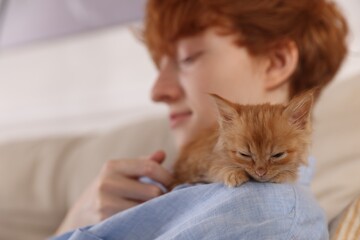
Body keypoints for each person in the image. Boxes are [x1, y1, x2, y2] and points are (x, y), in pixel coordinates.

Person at [54, 0, 348, 238]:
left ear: (276, 61)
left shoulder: (259, 215)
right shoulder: (170, 186)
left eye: (187, 58)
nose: (157, 91)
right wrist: (75, 219)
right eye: (158, 65)